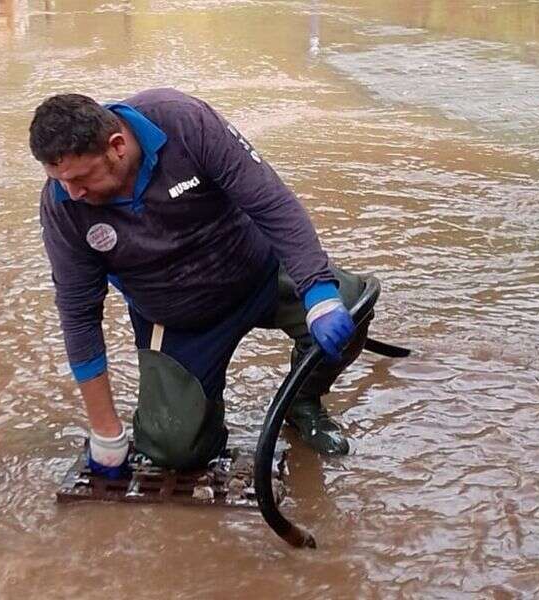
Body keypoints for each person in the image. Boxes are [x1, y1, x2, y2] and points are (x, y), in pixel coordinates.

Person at [29, 89, 374, 476]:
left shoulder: (184, 122)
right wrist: (106, 431)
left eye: (81, 178)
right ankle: (200, 417)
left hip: (257, 271)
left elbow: (271, 202)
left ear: (117, 146)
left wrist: (318, 292)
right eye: (60, 181)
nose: (72, 192)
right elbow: (78, 314)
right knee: (176, 452)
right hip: (179, 319)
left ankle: (303, 403)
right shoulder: (64, 206)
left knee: (351, 304)